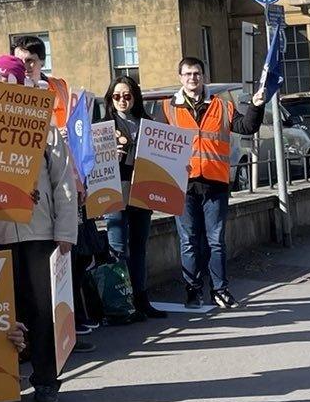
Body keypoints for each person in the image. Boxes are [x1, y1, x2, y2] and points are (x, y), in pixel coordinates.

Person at [0, 57, 79, 402]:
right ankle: (1, 379)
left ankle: (46, 380)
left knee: (42, 310)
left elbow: (64, 182)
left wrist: (65, 232)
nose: (7, 90)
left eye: (12, 83)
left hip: (37, 232)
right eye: (0, 84)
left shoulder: (46, 127)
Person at [155, 56, 267, 309]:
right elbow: (157, 146)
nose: (192, 78)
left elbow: (246, 127)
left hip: (215, 183)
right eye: (187, 74)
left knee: (216, 240)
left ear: (203, 76)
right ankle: (193, 290)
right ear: (180, 78)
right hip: (183, 186)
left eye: (196, 74)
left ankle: (220, 290)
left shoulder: (222, 106)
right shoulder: (167, 108)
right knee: (188, 240)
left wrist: (257, 106)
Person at [101, 75, 166, 321]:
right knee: (117, 248)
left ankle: (141, 300)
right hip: (115, 190)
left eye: (127, 96)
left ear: (135, 97)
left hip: (142, 191)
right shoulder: (103, 125)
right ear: (110, 99)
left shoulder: (147, 123)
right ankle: (121, 304)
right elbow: (92, 164)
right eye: (116, 96)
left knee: (139, 247)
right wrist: (108, 154)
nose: (122, 101)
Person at [11, 34, 72, 132]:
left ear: (42, 61)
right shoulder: (9, 92)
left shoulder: (60, 85)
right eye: (19, 61)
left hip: (59, 144)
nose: (24, 66)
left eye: (29, 60)